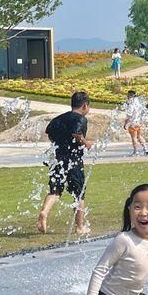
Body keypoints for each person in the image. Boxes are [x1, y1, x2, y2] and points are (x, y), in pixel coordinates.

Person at [37, 91, 92, 235]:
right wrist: (86, 143)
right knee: (78, 195)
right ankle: (80, 227)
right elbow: (76, 134)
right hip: (73, 162)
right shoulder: (81, 119)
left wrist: (59, 143)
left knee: (55, 191)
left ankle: (44, 212)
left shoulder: (59, 118)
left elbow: (49, 132)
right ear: (85, 105)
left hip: (57, 160)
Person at [123, 90, 148, 156]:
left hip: (132, 124)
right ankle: (145, 148)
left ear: (130, 96)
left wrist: (125, 124)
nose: (127, 96)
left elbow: (129, 116)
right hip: (138, 122)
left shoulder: (131, 105)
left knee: (134, 138)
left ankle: (135, 151)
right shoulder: (138, 103)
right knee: (139, 136)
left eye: (128, 95)